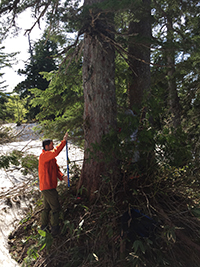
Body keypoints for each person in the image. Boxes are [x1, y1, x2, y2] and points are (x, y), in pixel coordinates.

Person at [38, 132, 68, 236]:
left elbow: (56, 170)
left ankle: (44, 228)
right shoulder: (44, 156)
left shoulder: (51, 159)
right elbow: (55, 152)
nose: (53, 146)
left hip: (49, 187)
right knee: (56, 208)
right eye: (51, 145)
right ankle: (55, 230)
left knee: (47, 208)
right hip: (47, 187)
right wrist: (63, 142)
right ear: (46, 147)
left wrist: (63, 177)